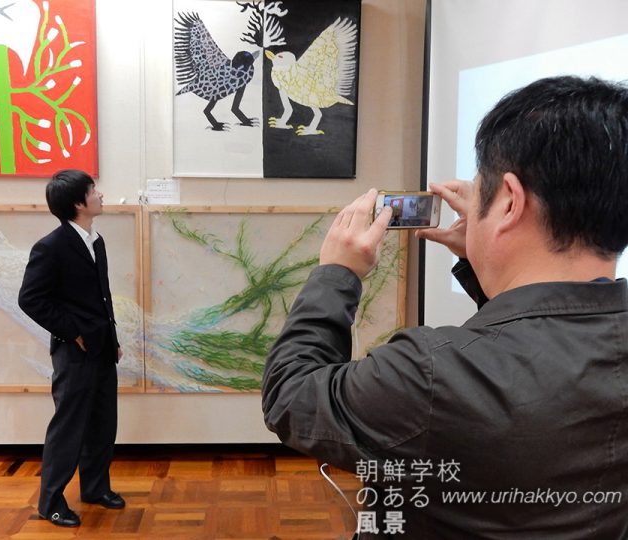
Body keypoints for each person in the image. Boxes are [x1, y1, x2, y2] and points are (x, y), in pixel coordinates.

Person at [262, 75, 628, 538]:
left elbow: (291, 395)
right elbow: (543, 341)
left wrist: (339, 271)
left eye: (483, 194)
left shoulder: (429, 372)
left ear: (511, 201)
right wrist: (481, 252)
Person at [18, 169, 124, 527]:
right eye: (95, 190)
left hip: (102, 348)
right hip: (74, 352)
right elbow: (30, 298)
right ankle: (51, 502)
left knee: (102, 422)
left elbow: (101, 297)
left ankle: (95, 487)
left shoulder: (96, 241)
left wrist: (113, 338)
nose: (100, 195)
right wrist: (72, 332)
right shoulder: (51, 246)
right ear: (79, 202)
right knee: (69, 427)